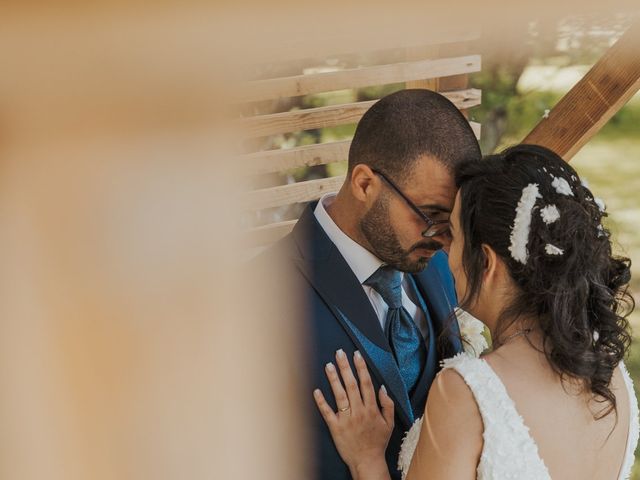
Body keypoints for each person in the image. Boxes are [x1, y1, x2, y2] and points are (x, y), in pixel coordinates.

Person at [312, 144, 639, 479]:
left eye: (452, 236)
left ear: (486, 262)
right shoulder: (612, 379)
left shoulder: (466, 395)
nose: (442, 251)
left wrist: (367, 461)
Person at [264, 89, 481, 479]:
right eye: (430, 216)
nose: (446, 241)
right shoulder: (260, 296)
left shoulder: (441, 264)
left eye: (453, 223)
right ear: (365, 184)